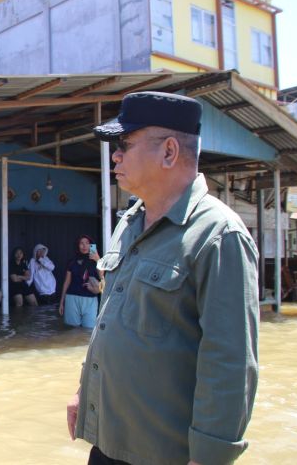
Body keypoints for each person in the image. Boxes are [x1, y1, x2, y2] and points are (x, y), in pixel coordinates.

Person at [67, 91, 259, 465]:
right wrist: (83, 392)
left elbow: (230, 363)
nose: (115, 155)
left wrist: (209, 457)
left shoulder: (218, 236)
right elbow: (110, 325)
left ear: (169, 152)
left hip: (161, 453)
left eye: (124, 144)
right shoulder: (129, 222)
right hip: (107, 441)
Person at [58, 235, 100, 328]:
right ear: (77, 245)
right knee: (73, 330)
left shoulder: (96, 261)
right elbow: (67, 282)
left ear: (91, 245)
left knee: (89, 329)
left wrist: (98, 260)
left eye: (87, 243)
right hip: (72, 298)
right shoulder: (72, 262)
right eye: (81, 243)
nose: (84, 246)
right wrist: (61, 302)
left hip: (90, 299)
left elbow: (102, 276)